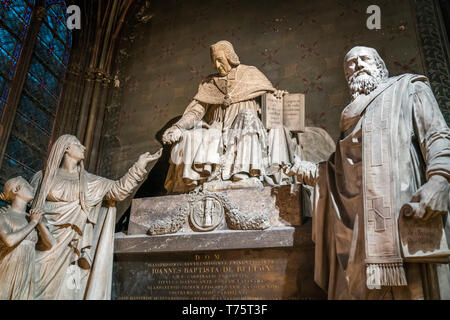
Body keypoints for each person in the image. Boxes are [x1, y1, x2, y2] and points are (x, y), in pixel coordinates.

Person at [285, 46, 450, 299]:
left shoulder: (408, 88)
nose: (358, 65)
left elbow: (437, 136)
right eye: (350, 63)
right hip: (354, 227)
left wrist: (440, 179)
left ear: (380, 66)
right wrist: (302, 168)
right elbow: (336, 171)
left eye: (365, 59)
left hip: (400, 211)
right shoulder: (350, 117)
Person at [30, 134, 162, 300]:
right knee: (30, 284)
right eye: (78, 145)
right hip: (40, 239)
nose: (84, 147)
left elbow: (118, 190)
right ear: (66, 149)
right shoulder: (42, 177)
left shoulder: (90, 182)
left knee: (58, 292)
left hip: (68, 244)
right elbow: (28, 207)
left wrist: (139, 165)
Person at [163, 40, 296, 193]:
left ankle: (243, 173)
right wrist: (178, 127)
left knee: (246, 117)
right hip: (218, 128)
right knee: (191, 137)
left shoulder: (250, 74)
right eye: (214, 62)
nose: (217, 66)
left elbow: (270, 103)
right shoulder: (209, 83)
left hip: (247, 124)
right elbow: (196, 111)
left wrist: (277, 96)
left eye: (220, 60)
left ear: (230, 57)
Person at [0, 176, 53, 300]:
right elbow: (9, 241)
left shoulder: (32, 217)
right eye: (28, 186)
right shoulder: (3, 215)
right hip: (9, 265)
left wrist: (39, 223)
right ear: (16, 189)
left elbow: (50, 244)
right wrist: (33, 223)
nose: (32, 188)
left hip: (27, 270)